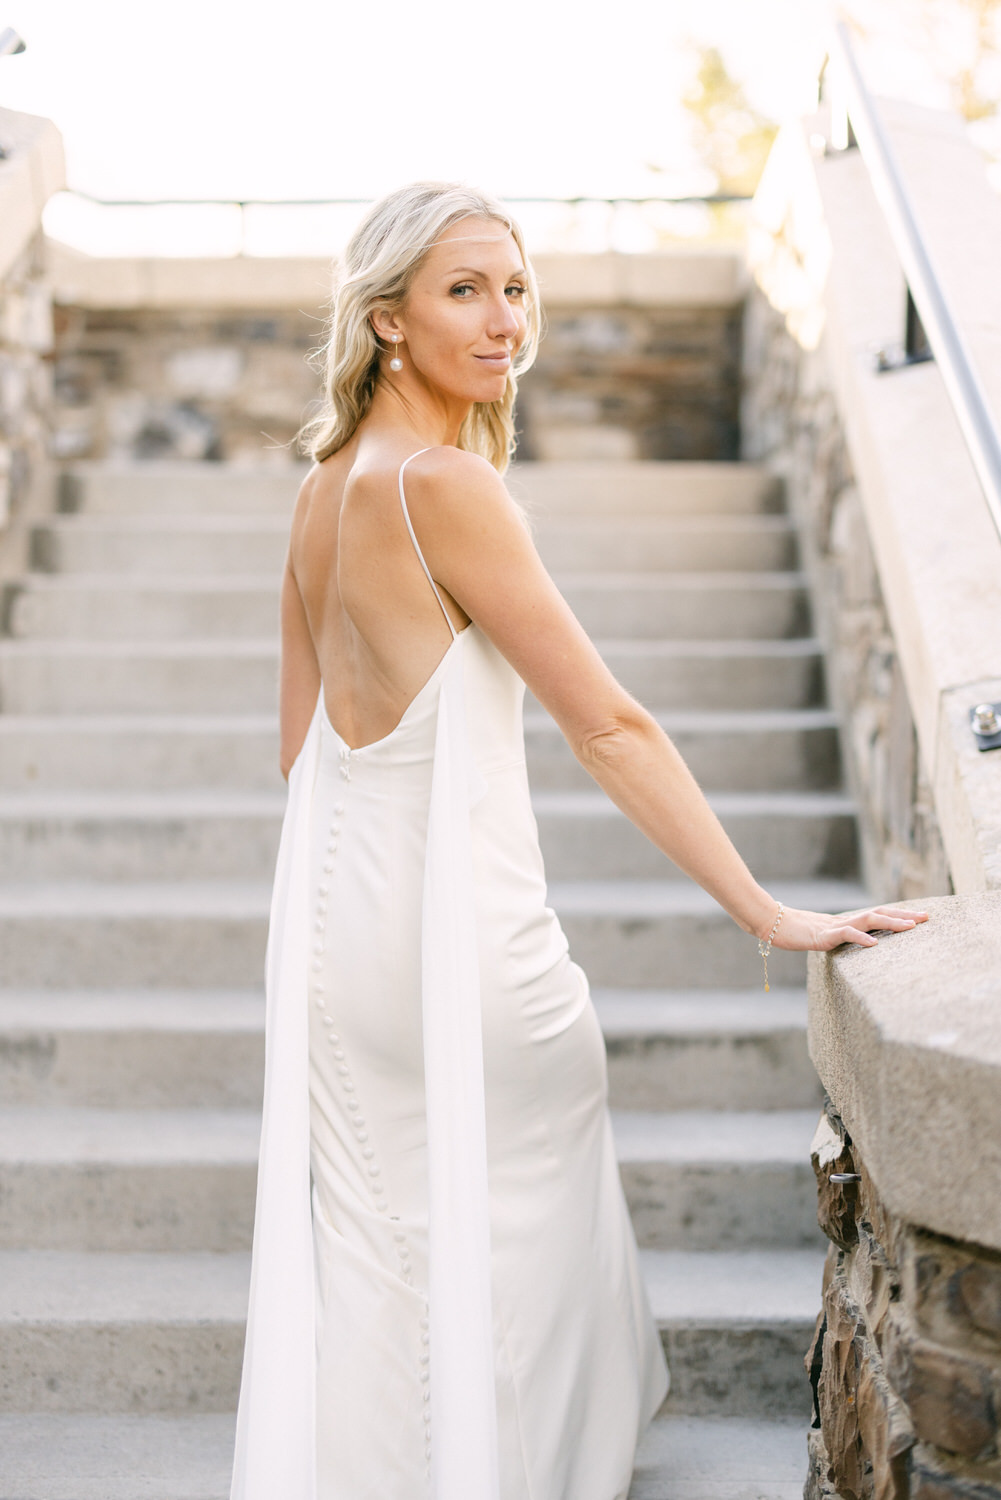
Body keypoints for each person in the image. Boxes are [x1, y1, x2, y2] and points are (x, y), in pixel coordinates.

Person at [228, 181, 928, 1500]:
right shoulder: (445, 486)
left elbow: (299, 754)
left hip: (337, 933)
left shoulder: (323, 492)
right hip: (462, 937)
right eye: (463, 291)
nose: (504, 320)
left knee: (389, 1234)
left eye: (514, 288)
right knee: (520, 1203)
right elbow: (607, 724)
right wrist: (767, 914)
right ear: (385, 320)